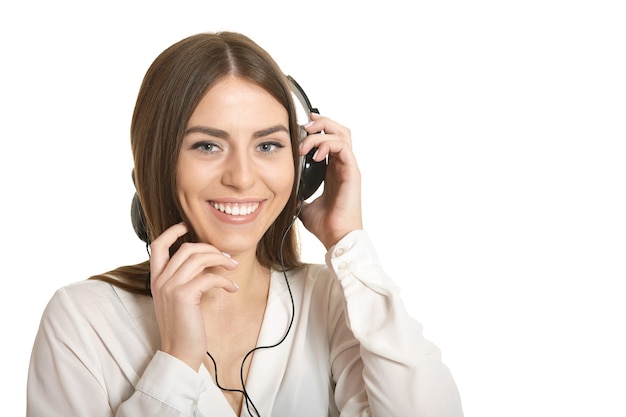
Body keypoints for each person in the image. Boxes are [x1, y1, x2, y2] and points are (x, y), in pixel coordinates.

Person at [26, 31, 463, 417]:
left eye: (268, 145)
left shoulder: (332, 302)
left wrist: (349, 243)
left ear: (304, 167)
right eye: (208, 146)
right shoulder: (82, 321)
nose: (241, 177)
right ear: (157, 162)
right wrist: (176, 363)